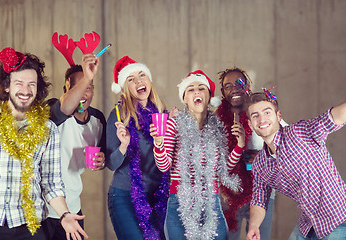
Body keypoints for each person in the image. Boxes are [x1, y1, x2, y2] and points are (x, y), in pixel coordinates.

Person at [245, 73, 346, 240]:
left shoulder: (299, 133)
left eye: (267, 112)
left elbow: (333, 118)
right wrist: (253, 226)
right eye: (255, 116)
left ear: (278, 116)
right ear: (251, 123)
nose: (262, 119)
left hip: (340, 220)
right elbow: (259, 198)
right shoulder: (260, 164)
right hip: (309, 224)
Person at [0, 47, 88, 240]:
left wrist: (65, 215)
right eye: (19, 83)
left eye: (31, 84)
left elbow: (51, 182)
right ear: (7, 86)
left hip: (32, 226)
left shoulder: (48, 128)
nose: (26, 90)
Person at [151, 70, 245, 240]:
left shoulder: (217, 126)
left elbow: (224, 169)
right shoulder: (174, 123)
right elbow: (164, 166)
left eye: (201, 88)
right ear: (185, 99)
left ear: (209, 96)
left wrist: (239, 145)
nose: (196, 92)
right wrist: (158, 143)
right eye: (190, 89)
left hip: (211, 201)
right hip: (180, 202)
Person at [44, 52, 106, 240]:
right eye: (77, 87)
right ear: (66, 89)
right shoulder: (54, 110)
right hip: (44, 211)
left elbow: (103, 157)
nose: (83, 93)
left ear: (93, 90)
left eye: (87, 87)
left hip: (73, 207)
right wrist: (87, 77)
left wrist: (102, 161)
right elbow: (65, 106)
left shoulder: (98, 120)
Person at [106, 56, 169, 240]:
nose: (139, 81)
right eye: (131, 79)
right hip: (124, 196)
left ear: (149, 81)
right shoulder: (119, 115)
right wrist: (124, 145)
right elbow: (111, 164)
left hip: (158, 196)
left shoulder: (162, 115)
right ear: (125, 87)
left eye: (142, 75)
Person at [215, 67, 275, 240]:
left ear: (247, 85)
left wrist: (265, 157)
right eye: (228, 86)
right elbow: (215, 163)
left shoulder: (263, 110)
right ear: (223, 92)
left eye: (239, 83)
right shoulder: (216, 120)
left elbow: (287, 146)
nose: (234, 88)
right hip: (229, 197)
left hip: (262, 194)